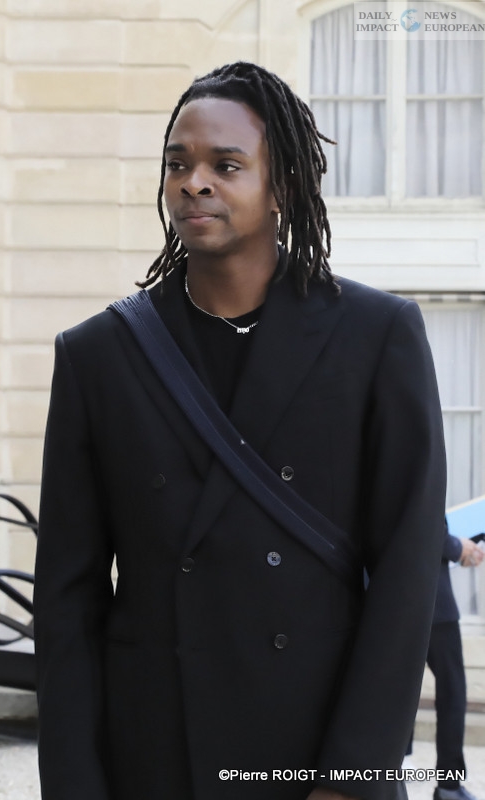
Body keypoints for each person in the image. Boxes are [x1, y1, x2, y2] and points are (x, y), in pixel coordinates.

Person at [33, 61, 447, 800]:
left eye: (226, 165)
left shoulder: (377, 336)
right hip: (157, 755)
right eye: (178, 164)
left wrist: (351, 777)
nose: (194, 183)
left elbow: (407, 571)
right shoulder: (98, 354)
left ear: (281, 186)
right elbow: (67, 599)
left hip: (315, 749)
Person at [418, 522, 483, 800]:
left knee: (396, 694)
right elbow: (428, 527)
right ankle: (449, 785)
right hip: (435, 605)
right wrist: (458, 547)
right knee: (453, 693)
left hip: (398, 603)